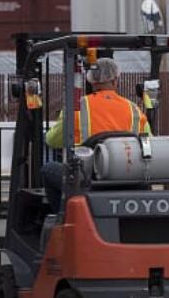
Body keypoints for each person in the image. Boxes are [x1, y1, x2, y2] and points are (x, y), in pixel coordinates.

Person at [40, 57, 150, 211]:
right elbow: (148, 144)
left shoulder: (77, 107)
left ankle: (63, 216)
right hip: (128, 179)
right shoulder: (134, 110)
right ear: (116, 80)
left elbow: (52, 140)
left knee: (47, 169)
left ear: (91, 81)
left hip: (88, 180)